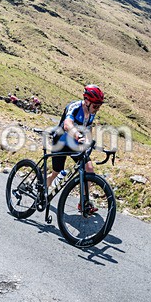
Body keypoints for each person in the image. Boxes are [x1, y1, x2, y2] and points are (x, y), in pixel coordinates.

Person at [48, 85, 105, 214]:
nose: (97, 109)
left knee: (89, 170)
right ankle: (43, 190)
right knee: (56, 172)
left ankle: (84, 203)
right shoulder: (75, 107)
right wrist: (78, 135)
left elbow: (88, 129)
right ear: (86, 101)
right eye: (95, 106)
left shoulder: (91, 113)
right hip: (61, 142)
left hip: (75, 144)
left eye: (99, 107)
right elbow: (68, 124)